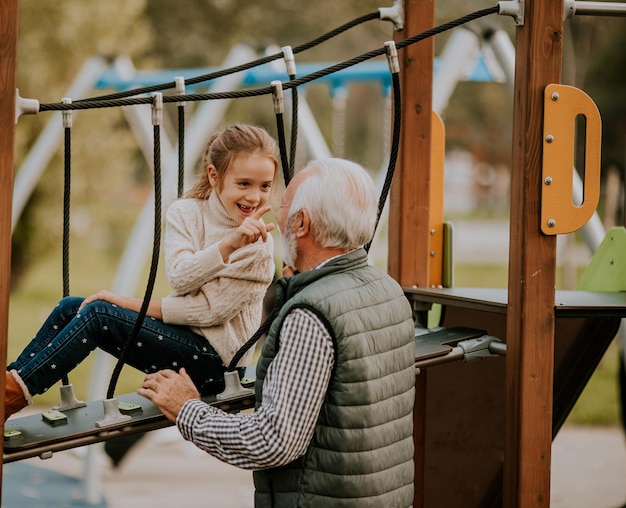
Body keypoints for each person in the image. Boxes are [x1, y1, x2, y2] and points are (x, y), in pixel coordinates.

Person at [139, 157, 416, 507]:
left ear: (301, 223)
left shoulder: (311, 315)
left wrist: (188, 409)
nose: (274, 215)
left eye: (282, 206)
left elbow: (272, 441)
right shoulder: (387, 290)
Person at [4, 124, 279, 422]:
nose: (255, 197)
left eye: (265, 186)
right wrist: (226, 247)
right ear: (215, 176)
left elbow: (207, 314)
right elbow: (180, 277)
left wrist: (122, 302)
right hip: (184, 339)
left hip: (218, 366)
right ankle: (10, 386)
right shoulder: (186, 213)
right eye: (244, 184)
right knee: (71, 307)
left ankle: (8, 398)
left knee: (98, 314)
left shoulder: (258, 248)